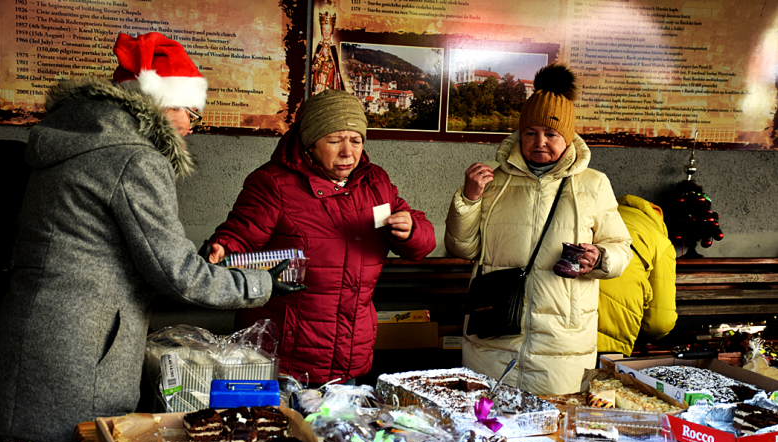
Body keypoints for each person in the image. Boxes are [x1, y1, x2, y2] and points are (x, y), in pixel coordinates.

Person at [0, 32, 303, 442]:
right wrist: (260, 283)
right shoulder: (136, 158)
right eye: (191, 114)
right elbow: (175, 274)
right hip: (82, 350)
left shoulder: (74, 139)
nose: (190, 128)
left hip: (37, 331)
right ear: (160, 103)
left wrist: (186, 261)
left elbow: (109, 246)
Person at [205, 88, 436, 386]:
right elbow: (239, 235)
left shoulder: (375, 183)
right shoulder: (274, 184)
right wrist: (221, 249)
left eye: (355, 140)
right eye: (334, 140)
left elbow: (421, 244)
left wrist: (411, 231)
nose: (347, 152)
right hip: (284, 359)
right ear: (310, 143)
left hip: (351, 355)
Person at [445, 63, 632, 396]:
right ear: (519, 135)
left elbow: (621, 249)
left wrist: (600, 258)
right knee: (488, 430)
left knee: (553, 433)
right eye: (530, 133)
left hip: (562, 345)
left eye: (551, 134)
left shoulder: (593, 184)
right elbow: (463, 248)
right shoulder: (494, 182)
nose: (539, 142)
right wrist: (469, 200)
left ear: (569, 136)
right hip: (493, 339)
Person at [597, 195, 677, 357]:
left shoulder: (601, 217)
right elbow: (660, 323)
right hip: (612, 339)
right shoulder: (660, 241)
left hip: (560, 329)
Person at [310, 11, 344, 94]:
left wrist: (329, 66)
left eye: (328, 29)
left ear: (332, 31)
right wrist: (316, 65)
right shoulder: (319, 47)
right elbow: (313, 67)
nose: (326, 32)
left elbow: (336, 70)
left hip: (329, 81)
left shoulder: (332, 48)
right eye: (324, 29)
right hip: (318, 81)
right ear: (321, 30)